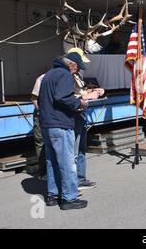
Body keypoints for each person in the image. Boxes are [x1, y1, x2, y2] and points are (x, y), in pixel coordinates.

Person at [39, 52, 89, 210]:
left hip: (47, 123)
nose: (77, 72)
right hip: (60, 124)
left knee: (52, 161)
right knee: (67, 162)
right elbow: (62, 98)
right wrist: (79, 103)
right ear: (71, 65)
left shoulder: (48, 74)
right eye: (77, 68)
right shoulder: (64, 75)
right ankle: (69, 198)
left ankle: (53, 195)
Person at [67, 47, 104, 190]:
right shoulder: (66, 76)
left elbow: (80, 92)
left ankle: (81, 178)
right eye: (79, 64)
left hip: (81, 114)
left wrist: (93, 91)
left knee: (81, 149)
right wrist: (89, 96)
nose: (80, 68)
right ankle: (74, 181)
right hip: (74, 114)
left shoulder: (76, 75)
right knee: (74, 152)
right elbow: (69, 97)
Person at [31, 73, 46, 180]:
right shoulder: (42, 78)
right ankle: (43, 172)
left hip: (53, 114)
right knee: (40, 141)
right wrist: (40, 110)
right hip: (42, 113)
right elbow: (34, 97)